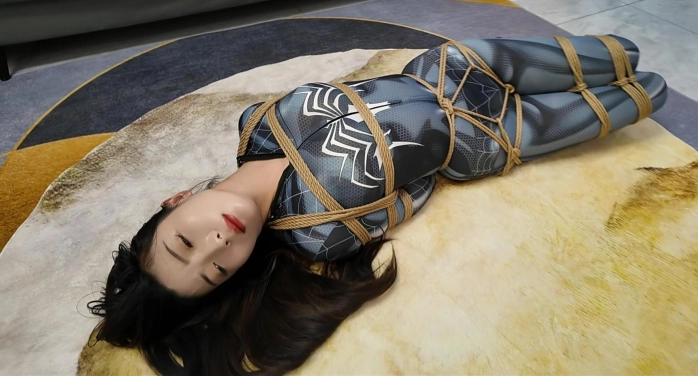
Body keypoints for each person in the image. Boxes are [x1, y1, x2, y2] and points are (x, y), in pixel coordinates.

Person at [89, 36, 667, 375]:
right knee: (645, 94)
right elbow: (415, 193)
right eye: (217, 269)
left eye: (184, 241)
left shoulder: (256, 123)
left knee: (621, 53)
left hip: (449, 67)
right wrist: (446, 156)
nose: (218, 243)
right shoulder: (317, 232)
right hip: (486, 136)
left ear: (175, 201)